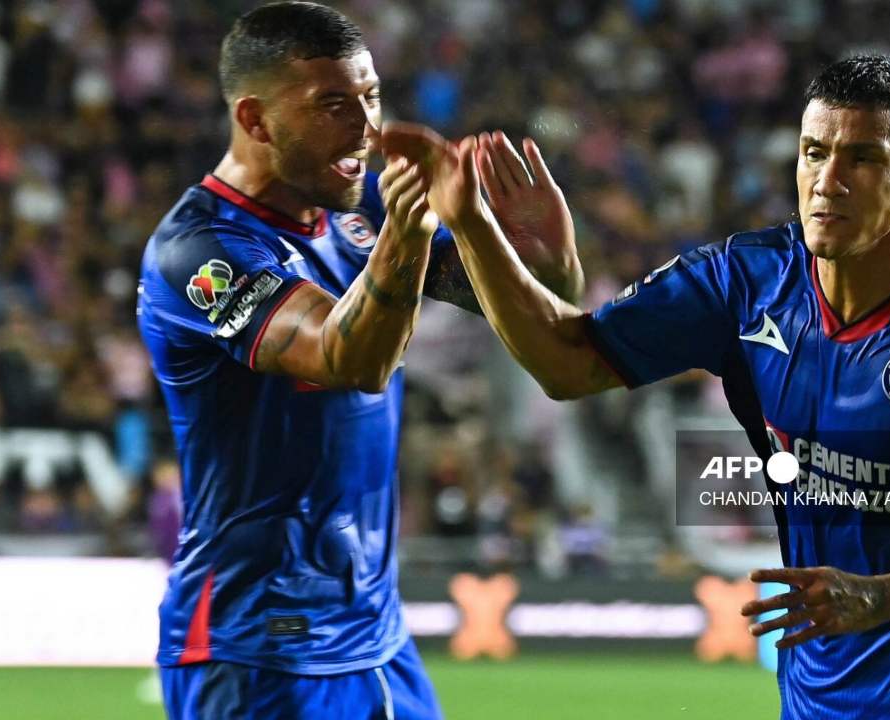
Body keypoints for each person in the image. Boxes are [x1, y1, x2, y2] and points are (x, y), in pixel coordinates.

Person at [386, 54, 890, 719]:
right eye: (814, 151)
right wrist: (477, 225)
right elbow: (569, 364)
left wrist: (884, 597)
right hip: (812, 697)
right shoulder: (744, 281)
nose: (828, 180)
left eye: (863, 158)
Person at [135, 3, 579, 718]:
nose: (367, 129)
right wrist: (408, 236)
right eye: (333, 106)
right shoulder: (198, 251)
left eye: (371, 98)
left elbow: (531, 300)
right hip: (256, 650)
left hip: (378, 637)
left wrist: (523, 249)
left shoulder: (364, 208)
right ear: (254, 120)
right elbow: (350, 359)